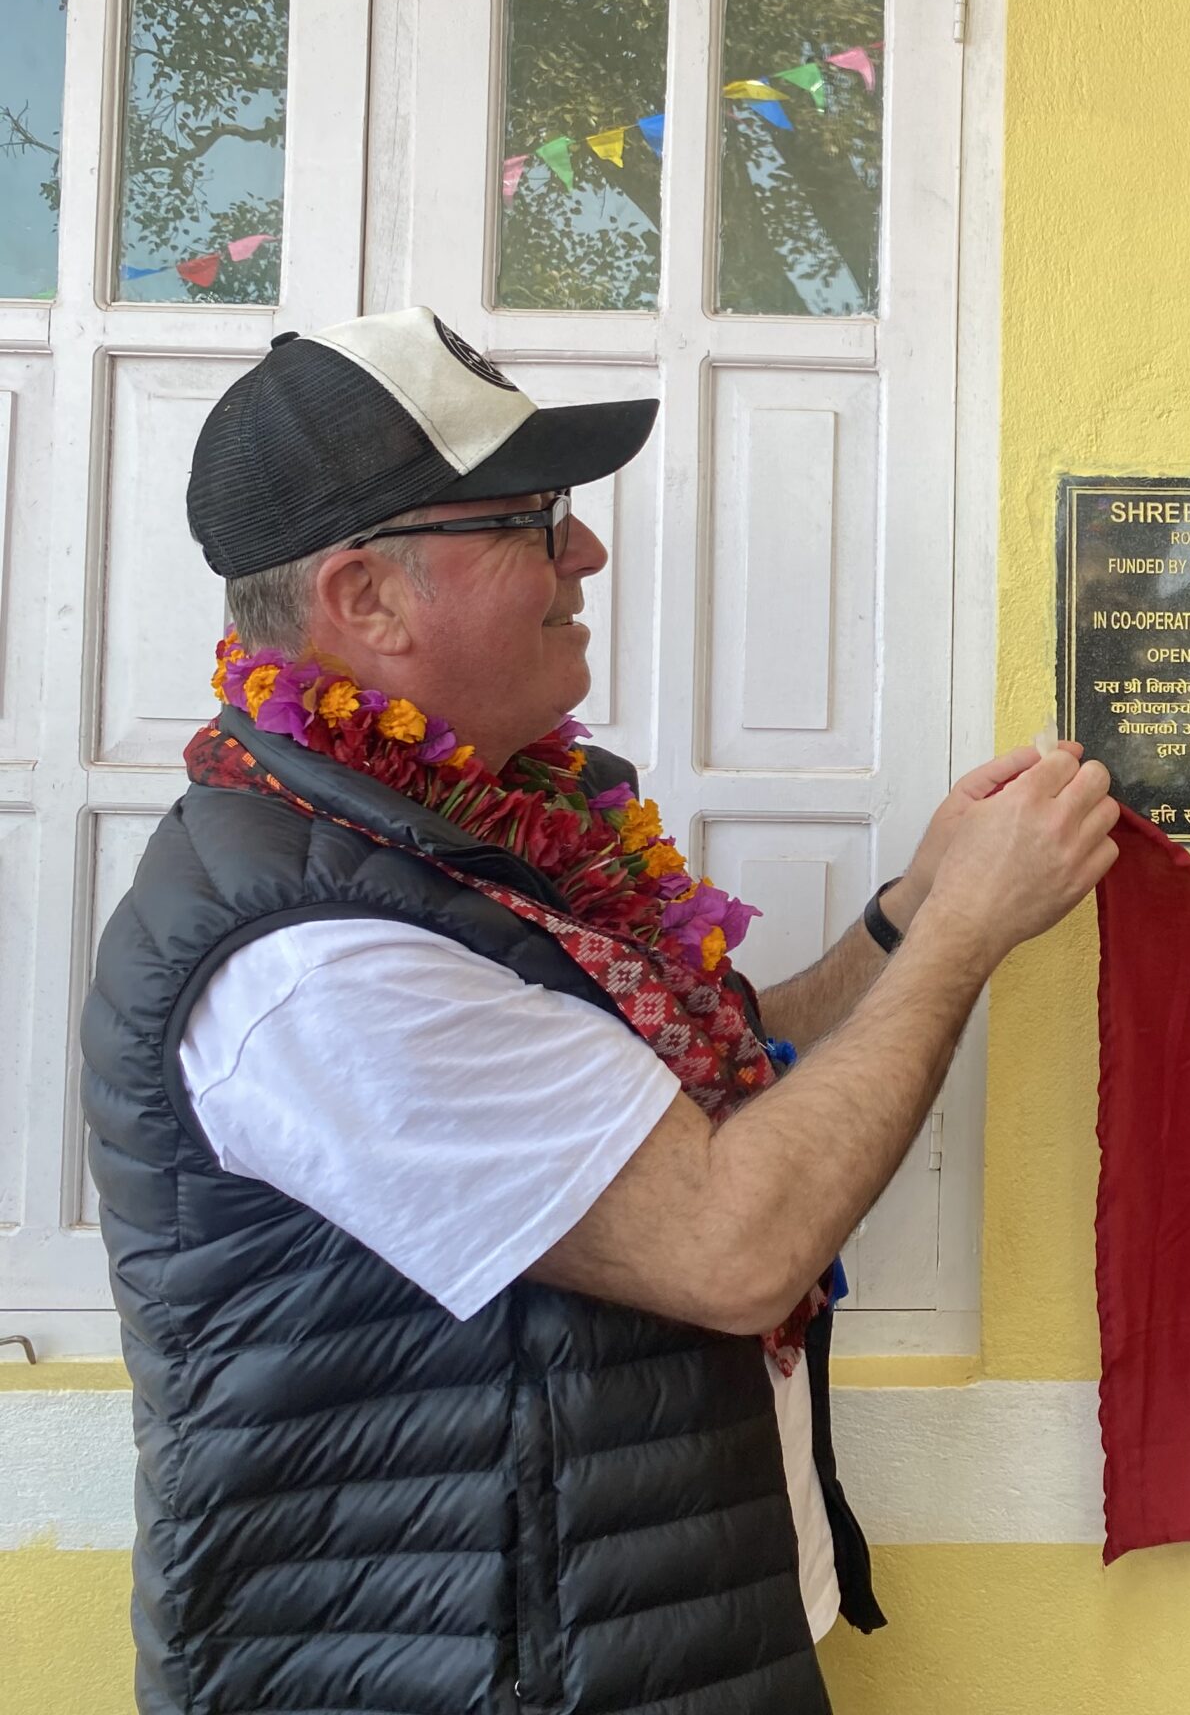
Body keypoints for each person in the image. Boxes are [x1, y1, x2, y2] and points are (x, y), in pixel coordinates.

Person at [80, 308, 1120, 1715]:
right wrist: (969, 936)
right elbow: (727, 1237)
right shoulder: (314, 963)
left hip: (636, 1636)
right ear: (364, 599)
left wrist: (909, 913)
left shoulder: (460, 832)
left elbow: (696, 1093)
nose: (587, 555)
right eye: (532, 520)